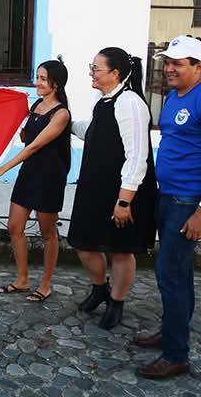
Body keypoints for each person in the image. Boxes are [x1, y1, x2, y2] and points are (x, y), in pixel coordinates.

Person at [135, 36, 201, 380]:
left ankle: (176, 354)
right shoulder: (175, 97)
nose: (169, 68)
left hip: (189, 201)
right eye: (167, 62)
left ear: (198, 66)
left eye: (178, 63)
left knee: (170, 274)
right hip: (168, 195)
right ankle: (171, 331)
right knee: (179, 272)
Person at [67, 47, 157, 330]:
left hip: (123, 191)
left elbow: (137, 155)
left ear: (115, 73)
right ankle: (99, 289)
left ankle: (116, 302)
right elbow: (95, 133)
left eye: (96, 68)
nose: (91, 73)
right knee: (83, 242)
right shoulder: (104, 101)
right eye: (91, 67)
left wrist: (124, 201)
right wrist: (65, 122)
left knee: (120, 249)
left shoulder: (130, 103)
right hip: (96, 187)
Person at [0, 59, 71, 302]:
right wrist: (16, 115)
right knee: (14, 227)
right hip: (30, 172)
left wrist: (3, 168)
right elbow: (26, 138)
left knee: (48, 233)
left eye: (43, 79)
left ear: (56, 84)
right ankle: (22, 279)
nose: (37, 83)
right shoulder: (36, 105)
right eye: (38, 77)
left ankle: (45, 284)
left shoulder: (61, 114)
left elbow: (34, 146)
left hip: (49, 176)